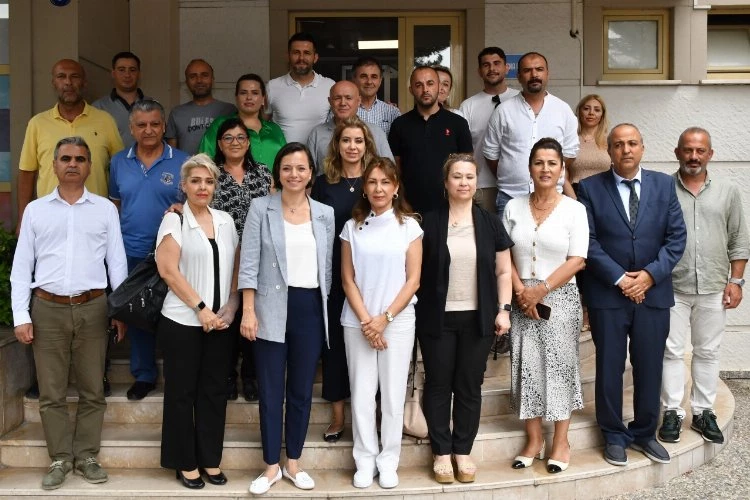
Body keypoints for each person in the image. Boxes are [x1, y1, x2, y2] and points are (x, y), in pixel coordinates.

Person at [10, 136, 128, 490]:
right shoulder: (36, 210)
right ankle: (60, 458)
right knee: (51, 392)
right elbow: (22, 267)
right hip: (47, 309)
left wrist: (120, 309)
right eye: (66, 158)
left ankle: (87, 456)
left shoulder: (105, 209)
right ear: (54, 165)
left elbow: (116, 262)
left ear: (89, 166)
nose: (73, 164)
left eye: (80, 158)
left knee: (93, 389)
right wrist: (21, 316)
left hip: (93, 307)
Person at [577, 123, 687, 467]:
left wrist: (649, 276)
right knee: (609, 366)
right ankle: (613, 434)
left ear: (642, 148)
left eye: (632, 143)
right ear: (609, 151)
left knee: (650, 366)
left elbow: (676, 238)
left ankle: (643, 432)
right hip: (608, 294)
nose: (626, 149)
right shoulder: (589, 188)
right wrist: (622, 279)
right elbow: (587, 241)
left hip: (653, 294)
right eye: (619, 144)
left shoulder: (664, 185)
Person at [239, 143, 334, 495]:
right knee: (270, 390)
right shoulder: (260, 207)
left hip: (309, 309)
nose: (294, 174)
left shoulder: (324, 213)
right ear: (278, 172)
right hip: (269, 308)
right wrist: (248, 310)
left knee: (301, 390)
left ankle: (293, 461)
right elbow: (249, 262)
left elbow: (326, 268)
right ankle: (270, 466)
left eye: (301, 168)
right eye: (287, 168)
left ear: (311, 173)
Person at [417, 153, 513, 484]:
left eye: (469, 177)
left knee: (470, 385)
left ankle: (463, 451)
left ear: (477, 182)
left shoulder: (490, 223)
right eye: (457, 176)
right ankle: (441, 452)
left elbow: (503, 271)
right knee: (439, 384)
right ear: (446, 182)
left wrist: (504, 309)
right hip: (437, 319)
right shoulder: (429, 222)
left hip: (478, 318)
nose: (463, 182)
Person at [659, 127, 750, 445]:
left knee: (708, 351)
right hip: (671, 285)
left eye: (700, 150)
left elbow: (739, 238)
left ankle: (702, 412)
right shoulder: (663, 189)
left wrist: (736, 281)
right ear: (677, 153)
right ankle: (672, 412)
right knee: (670, 351)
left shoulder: (727, 191)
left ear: (710, 154)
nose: (694, 156)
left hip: (713, 285)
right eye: (688, 150)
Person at [502, 138, 588, 473]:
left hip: (560, 298)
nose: (545, 169)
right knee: (526, 368)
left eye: (552, 163)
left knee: (560, 368)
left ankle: (561, 442)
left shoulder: (574, 210)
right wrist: (521, 291)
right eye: (539, 162)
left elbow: (578, 259)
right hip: (521, 298)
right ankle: (534, 439)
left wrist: (541, 290)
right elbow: (503, 255)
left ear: (562, 168)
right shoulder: (513, 207)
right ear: (529, 168)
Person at [155, 154, 239, 490]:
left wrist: (231, 306)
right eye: (195, 181)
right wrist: (201, 308)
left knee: (214, 392)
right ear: (184, 186)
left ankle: (209, 458)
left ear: (215, 186)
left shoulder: (226, 221)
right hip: (182, 321)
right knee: (181, 393)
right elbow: (168, 270)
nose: (202, 187)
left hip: (220, 323)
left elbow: (236, 266)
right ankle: (184, 462)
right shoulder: (174, 221)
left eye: (208, 181)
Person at [340, 157, 423, 489]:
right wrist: (368, 322)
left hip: (397, 322)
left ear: (396, 187)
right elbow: (347, 279)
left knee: (392, 395)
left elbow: (413, 280)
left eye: (385, 182)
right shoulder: (352, 227)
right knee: (361, 394)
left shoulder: (410, 227)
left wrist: (384, 319)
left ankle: (388, 461)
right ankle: (364, 460)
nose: (378, 188)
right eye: (372, 182)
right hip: (357, 322)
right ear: (364, 187)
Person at [109, 99, 189, 401]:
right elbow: (115, 206)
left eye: (155, 124)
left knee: (175, 315)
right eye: (141, 125)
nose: (149, 130)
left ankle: (177, 375)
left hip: (173, 252)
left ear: (164, 126)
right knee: (138, 316)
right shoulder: (119, 162)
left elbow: (197, 203)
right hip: (131, 250)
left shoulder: (183, 161)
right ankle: (144, 375)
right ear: (131, 128)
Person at [310, 116, 377, 443]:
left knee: (371, 343)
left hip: (373, 277)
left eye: (358, 141)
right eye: (346, 140)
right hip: (334, 275)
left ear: (367, 145)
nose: (352, 146)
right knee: (334, 345)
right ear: (336, 145)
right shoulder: (324, 184)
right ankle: (338, 417)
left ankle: (373, 415)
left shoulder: (375, 180)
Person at [17, 59, 123, 233]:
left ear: (84, 82)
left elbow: (122, 168)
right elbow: (27, 172)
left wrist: (116, 211)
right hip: (49, 218)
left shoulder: (105, 120)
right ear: (53, 82)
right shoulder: (37, 123)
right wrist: (23, 218)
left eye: (74, 77)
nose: (68, 82)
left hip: (94, 217)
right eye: (61, 76)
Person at [211, 117, 272, 402]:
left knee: (252, 314)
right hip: (221, 255)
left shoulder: (263, 173)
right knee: (226, 315)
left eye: (240, 137)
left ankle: (250, 376)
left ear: (248, 143)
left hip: (257, 256)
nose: (235, 142)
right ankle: (227, 376)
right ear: (219, 144)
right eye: (228, 138)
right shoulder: (210, 174)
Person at [482, 52, 578, 217]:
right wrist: (513, 172)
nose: (534, 75)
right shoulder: (503, 111)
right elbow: (491, 154)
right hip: (510, 197)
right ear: (519, 76)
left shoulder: (563, 110)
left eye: (539, 69)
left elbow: (569, 153)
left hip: (552, 198)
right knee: (507, 236)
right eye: (527, 70)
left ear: (547, 74)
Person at [388, 66, 472, 215]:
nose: (425, 89)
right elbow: (396, 169)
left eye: (430, 83)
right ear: (411, 90)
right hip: (410, 209)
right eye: (418, 85)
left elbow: (467, 167)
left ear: (439, 87)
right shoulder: (400, 125)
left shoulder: (458, 123)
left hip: (450, 208)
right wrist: (401, 202)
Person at [459, 47, 520, 213]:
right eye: (486, 65)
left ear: (507, 67)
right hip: (482, 185)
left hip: (516, 186)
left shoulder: (521, 100)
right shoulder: (468, 106)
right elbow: (464, 149)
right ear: (479, 71)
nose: (492, 68)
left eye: (497, 63)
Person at [199, 74, 286, 169]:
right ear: (236, 98)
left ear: (263, 99)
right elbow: (204, 161)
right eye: (243, 93)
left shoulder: (275, 129)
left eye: (255, 93)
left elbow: (287, 162)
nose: (249, 97)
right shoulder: (221, 124)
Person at [306, 80, 392, 173]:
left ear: (358, 101)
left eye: (348, 98)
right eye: (337, 98)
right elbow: (308, 173)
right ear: (330, 101)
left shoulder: (375, 132)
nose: (343, 103)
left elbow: (389, 171)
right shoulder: (317, 134)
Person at [266, 33, 335, 143]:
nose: (301, 58)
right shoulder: (272, 86)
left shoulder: (330, 86)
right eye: (296, 52)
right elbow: (263, 125)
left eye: (307, 53)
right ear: (288, 56)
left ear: (315, 57)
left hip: (317, 154)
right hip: (282, 153)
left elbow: (338, 122)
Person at [165, 59, 237, 154]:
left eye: (204, 75)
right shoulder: (176, 113)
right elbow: (171, 154)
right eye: (193, 76)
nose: (199, 80)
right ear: (186, 82)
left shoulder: (229, 110)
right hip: (186, 164)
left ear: (212, 79)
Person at [93, 51, 149, 148]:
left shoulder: (152, 105)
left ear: (139, 74)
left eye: (132, 70)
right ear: (113, 73)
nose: (127, 75)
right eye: (121, 70)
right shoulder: (98, 107)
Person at [569, 94, 611, 192]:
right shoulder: (570, 140)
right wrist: (573, 198)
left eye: (597, 110)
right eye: (586, 109)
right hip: (576, 191)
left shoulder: (610, 141)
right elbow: (562, 173)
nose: (591, 113)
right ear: (579, 112)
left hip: (605, 192)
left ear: (602, 115)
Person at [353, 56, 401, 135]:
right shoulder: (343, 110)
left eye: (374, 77)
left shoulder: (393, 112)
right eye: (363, 76)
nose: (369, 82)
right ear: (354, 79)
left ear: (380, 80)